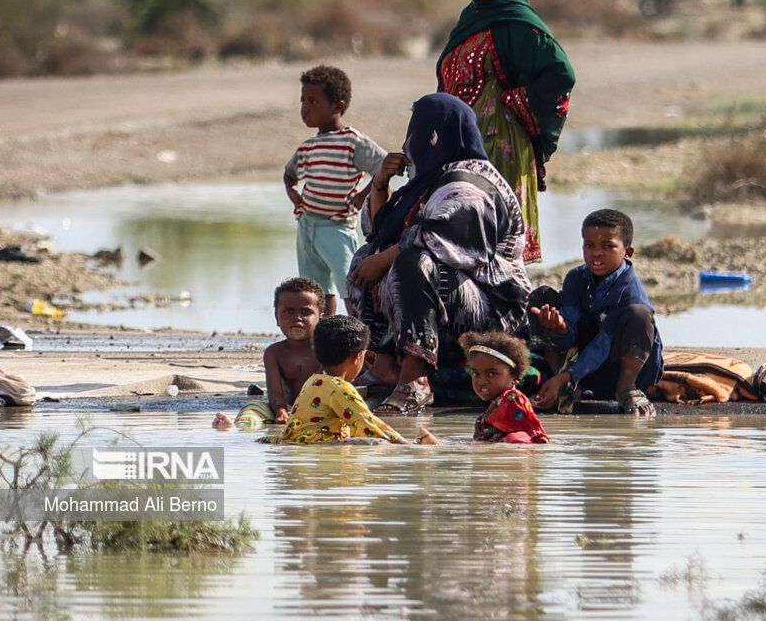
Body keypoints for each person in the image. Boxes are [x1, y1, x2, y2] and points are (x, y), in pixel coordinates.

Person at [347, 93, 532, 413]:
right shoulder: (431, 180)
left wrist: (382, 260)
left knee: (413, 264)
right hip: (444, 303)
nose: (409, 144)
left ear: (435, 136)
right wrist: (379, 184)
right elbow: (379, 232)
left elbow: (441, 240)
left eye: (416, 134)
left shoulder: (468, 184)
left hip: (490, 308)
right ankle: (384, 365)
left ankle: (415, 377)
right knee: (365, 257)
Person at [437, 0, 576, 264]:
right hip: (459, 147)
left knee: (493, 253)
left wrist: (512, 103)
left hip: (498, 150)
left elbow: (561, 74)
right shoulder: (471, 18)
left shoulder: (518, 24)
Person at [529, 209, 662, 416]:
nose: (597, 253)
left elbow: (604, 342)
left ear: (628, 252)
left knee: (639, 315)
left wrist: (568, 375)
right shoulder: (576, 277)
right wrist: (560, 327)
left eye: (608, 246)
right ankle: (563, 387)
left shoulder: (629, 291)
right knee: (541, 296)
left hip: (616, 366)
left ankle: (626, 388)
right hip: (581, 368)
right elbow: (571, 330)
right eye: (589, 245)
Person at [285, 64, 388, 316]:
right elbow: (289, 175)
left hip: (336, 228)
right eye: (302, 101)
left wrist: (362, 197)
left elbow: (384, 167)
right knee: (316, 290)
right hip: (306, 227)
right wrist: (294, 195)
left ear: (337, 107)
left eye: (313, 101)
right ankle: (324, 339)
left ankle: (358, 335)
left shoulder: (353, 142)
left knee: (350, 284)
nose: (305, 108)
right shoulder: (308, 146)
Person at [270, 315, 440, 445]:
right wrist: (406, 444)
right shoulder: (340, 388)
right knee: (377, 443)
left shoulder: (313, 381)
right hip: (319, 445)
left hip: (299, 442)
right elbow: (367, 422)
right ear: (358, 357)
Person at [212, 276, 325, 429]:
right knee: (252, 407)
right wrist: (281, 410)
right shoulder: (274, 353)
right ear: (276, 317)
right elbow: (274, 392)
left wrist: (306, 411)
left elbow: (324, 387)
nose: (297, 318)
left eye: (305, 312)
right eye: (288, 311)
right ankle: (234, 427)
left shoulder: (326, 350)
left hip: (319, 409)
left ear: (320, 317)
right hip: (285, 409)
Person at [461, 331, 550, 444]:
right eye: (475, 374)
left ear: (516, 376)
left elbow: (535, 436)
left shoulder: (512, 399)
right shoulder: (498, 403)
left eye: (491, 373)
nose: (481, 381)